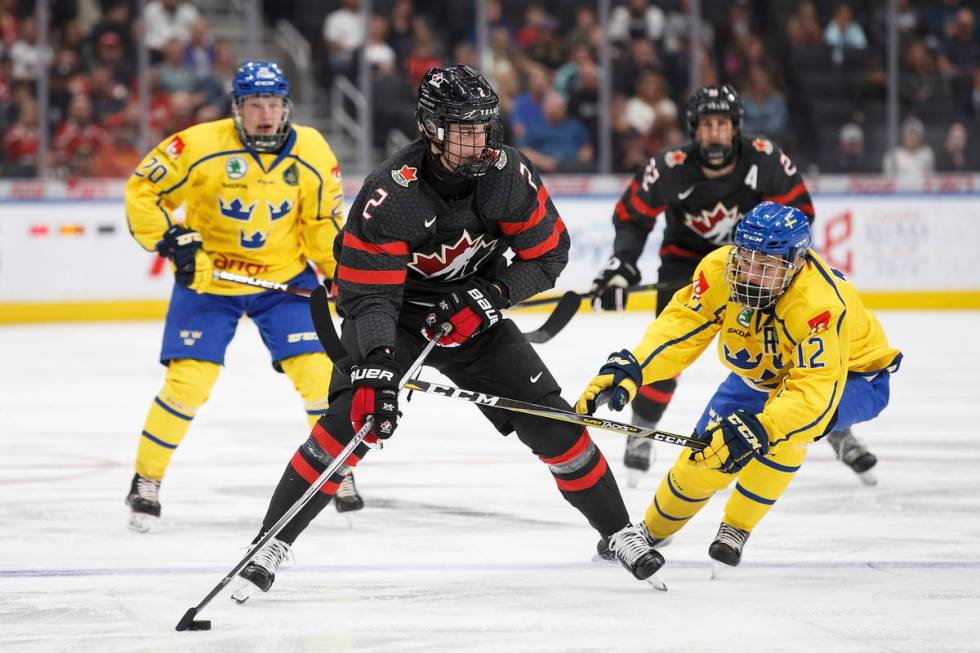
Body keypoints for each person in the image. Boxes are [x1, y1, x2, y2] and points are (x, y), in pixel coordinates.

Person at [229, 64, 663, 602]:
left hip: (474, 311)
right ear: (431, 130)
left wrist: (491, 296)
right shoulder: (391, 192)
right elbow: (370, 295)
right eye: (462, 129)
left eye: (482, 128)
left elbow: (548, 256)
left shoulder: (508, 175)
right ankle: (270, 542)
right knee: (351, 422)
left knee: (554, 425)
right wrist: (379, 362)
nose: (476, 141)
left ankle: (619, 532)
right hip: (397, 314)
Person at [577, 201, 902, 572]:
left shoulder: (819, 304)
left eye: (764, 266)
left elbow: (814, 391)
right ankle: (650, 530)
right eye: (745, 258)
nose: (748, 273)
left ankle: (737, 527)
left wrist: (763, 428)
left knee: (787, 436)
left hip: (853, 379)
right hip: (762, 373)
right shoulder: (720, 269)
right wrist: (634, 370)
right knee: (704, 457)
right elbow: (681, 327)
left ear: (795, 263)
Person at [589, 83, 877, 487]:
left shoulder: (765, 157)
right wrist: (622, 264)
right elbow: (633, 216)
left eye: (723, 124)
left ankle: (835, 428)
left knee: (793, 361)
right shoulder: (670, 165)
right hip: (688, 265)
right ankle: (640, 431)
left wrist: (770, 262)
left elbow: (800, 215)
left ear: (736, 126)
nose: (715, 134)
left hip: (762, 269)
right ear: (694, 128)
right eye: (707, 125)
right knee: (669, 349)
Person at [124, 61, 362, 532]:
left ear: (286, 106)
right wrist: (173, 241)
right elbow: (143, 191)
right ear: (237, 108)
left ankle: (339, 468)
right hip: (211, 283)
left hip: (284, 281)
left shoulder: (312, 149)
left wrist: (339, 278)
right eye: (255, 105)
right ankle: (146, 481)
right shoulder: (198, 145)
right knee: (189, 383)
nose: (266, 114)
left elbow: (322, 224)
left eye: (274, 104)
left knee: (320, 378)